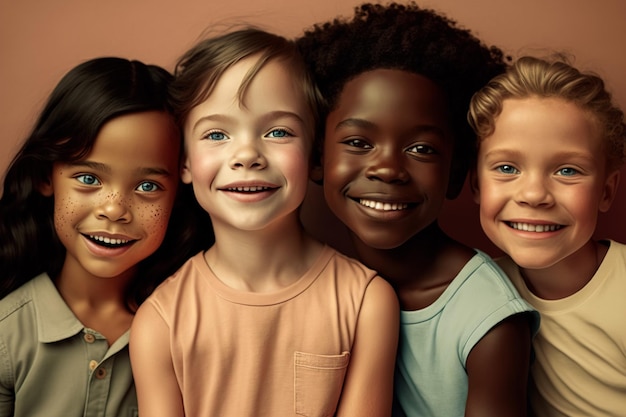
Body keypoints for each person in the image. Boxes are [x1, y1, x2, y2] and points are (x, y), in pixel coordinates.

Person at [129, 27, 400, 417]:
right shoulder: (159, 322)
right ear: (184, 162)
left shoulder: (366, 303)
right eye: (217, 133)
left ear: (315, 154)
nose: (247, 155)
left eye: (278, 131)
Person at [297, 3, 539, 416]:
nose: (388, 169)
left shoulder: (488, 320)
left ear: (456, 173)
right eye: (358, 142)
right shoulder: (315, 281)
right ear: (316, 157)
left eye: (421, 149)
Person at [0, 56, 206, 417]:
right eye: (89, 179)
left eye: (147, 186)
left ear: (179, 195)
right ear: (46, 178)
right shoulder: (6, 334)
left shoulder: (191, 330)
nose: (114, 209)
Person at [469, 55, 626, 417]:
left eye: (567, 170)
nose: (534, 194)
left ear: (605, 191)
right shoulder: (481, 288)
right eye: (507, 168)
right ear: (476, 184)